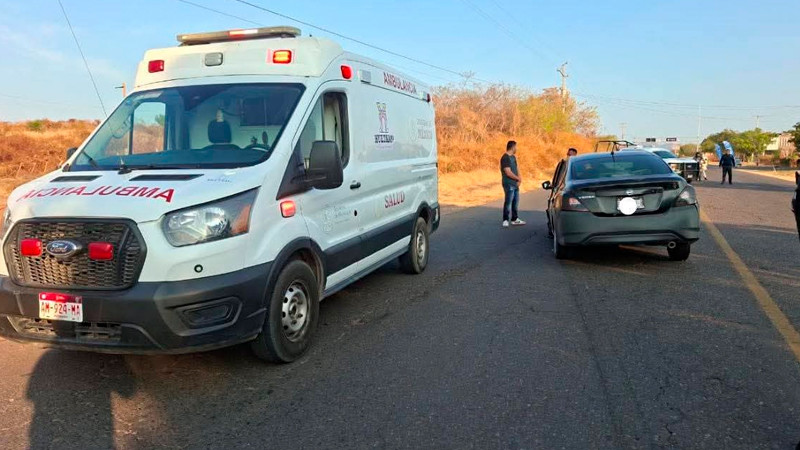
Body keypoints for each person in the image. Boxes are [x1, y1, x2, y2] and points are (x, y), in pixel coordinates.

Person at [500, 140, 525, 227]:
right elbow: (508, 172)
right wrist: (517, 178)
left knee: (515, 201)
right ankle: (505, 219)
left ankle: (515, 219)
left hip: (515, 183)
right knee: (508, 201)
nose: (516, 149)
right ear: (513, 147)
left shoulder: (513, 157)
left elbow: (517, 168)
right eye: (516, 147)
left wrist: (520, 179)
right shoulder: (505, 157)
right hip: (508, 183)